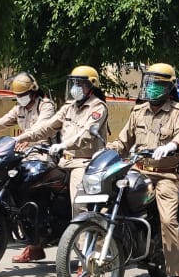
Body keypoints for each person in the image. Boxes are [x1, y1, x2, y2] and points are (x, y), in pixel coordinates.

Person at [108, 63, 179, 277]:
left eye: (158, 83)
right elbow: (122, 141)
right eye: (150, 82)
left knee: (168, 219)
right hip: (138, 171)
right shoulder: (138, 112)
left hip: (166, 174)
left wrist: (171, 146)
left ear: (169, 86)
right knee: (109, 204)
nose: (152, 88)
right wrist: (107, 151)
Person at [11, 65, 109, 263]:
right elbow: (47, 127)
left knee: (79, 206)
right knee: (33, 188)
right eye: (73, 83)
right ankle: (36, 244)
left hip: (85, 163)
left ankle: (86, 260)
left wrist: (65, 144)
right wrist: (22, 138)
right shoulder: (68, 107)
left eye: (80, 83)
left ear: (91, 86)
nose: (75, 87)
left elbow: (87, 135)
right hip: (63, 161)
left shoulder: (98, 107)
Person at [0, 72, 58, 140]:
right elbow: (0, 123)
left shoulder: (45, 106)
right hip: (23, 146)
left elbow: (41, 127)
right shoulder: (19, 109)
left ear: (33, 92)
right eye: (18, 95)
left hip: (43, 148)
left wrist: (24, 138)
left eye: (23, 95)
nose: (20, 98)